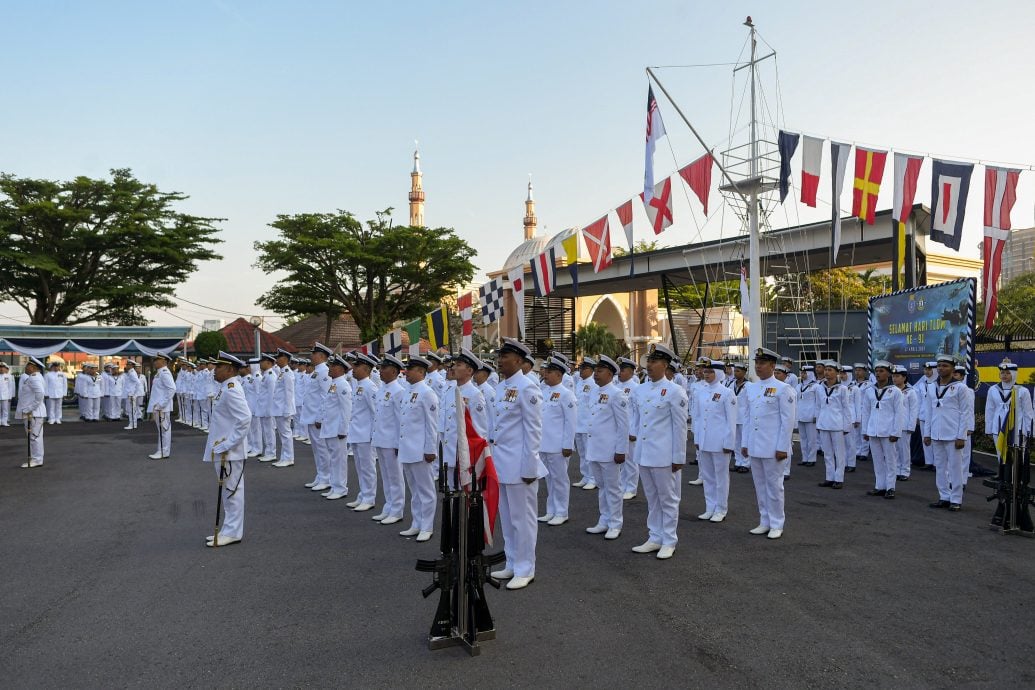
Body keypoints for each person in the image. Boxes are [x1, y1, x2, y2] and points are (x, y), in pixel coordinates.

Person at [488, 339, 545, 590]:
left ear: (520, 361)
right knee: (509, 519)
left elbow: (534, 431)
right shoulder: (502, 387)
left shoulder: (527, 388)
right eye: (500, 356)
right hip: (502, 463)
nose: (501, 360)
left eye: (506, 356)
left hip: (521, 465)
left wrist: (530, 467)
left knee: (523, 520)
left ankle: (525, 568)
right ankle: (511, 562)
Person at [628, 344, 689, 559]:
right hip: (645, 453)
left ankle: (669, 540)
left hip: (664, 454)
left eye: (654, 362)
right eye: (649, 361)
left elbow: (680, 427)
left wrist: (678, 456)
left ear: (665, 365)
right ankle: (654, 537)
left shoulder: (675, 391)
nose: (650, 365)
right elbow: (636, 418)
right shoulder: (640, 389)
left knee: (668, 499)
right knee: (652, 498)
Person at [740, 348, 796, 539]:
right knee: (760, 486)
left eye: (762, 363)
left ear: (773, 366)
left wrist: (782, 447)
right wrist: (745, 443)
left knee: (774, 487)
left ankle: (777, 523)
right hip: (756, 445)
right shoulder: (751, 388)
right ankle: (764, 521)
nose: (758, 366)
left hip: (773, 448)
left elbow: (787, 421)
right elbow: (747, 418)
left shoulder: (783, 389)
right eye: (756, 363)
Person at [202, 351, 252, 547]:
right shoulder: (225, 387)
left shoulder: (231, 389)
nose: (214, 370)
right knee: (227, 492)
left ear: (230, 369)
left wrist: (227, 444)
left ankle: (232, 532)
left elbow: (245, 418)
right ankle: (228, 529)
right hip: (224, 449)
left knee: (232, 491)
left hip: (230, 451)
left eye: (219, 367)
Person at [583, 355, 629, 541]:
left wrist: (621, 450)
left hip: (610, 450)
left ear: (610, 373)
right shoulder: (594, 392)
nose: (596, 374)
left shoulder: (617, 394)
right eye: (595, 371)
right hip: (595, 448)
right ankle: (604, 520)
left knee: (613, 488)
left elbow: (623, 425)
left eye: (600, 371)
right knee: (602, 487)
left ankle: (615, 523)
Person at [397, 355, 440, 543]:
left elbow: (432, 425)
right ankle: (416, 522)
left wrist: (431, 449)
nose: (406, 372)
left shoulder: (427, 392)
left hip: (421, 450)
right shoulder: (408, 391)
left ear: (421, 372)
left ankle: (427, 526)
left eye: (410, 369)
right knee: (414, 489)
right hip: (407, 447)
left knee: (426, 490)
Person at [922, 355, 973, 512]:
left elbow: (965, 413)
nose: (941, 368)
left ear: (952, 368)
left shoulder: (961, 388)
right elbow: (929, 412)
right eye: (939, 366)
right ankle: (944, 496)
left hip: (953, 435)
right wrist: (927, 433)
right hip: (936, 433)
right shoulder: (931, 387)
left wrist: (961, 435)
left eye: (945, 366)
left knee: (955, 468)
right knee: (940, 467)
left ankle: (956, 499)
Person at [691, 357, 735, 524]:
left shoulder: (726, 393)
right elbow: (697, 417)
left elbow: (731, 421)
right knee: (708, 477)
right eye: (706, 371)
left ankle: (721, 508)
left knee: (720, 477)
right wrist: (696, 438)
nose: (706, 374)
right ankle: (710, 507)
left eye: (710, 372)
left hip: (719, 442)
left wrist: (728, 443)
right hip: (704, 441)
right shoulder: (701, 391)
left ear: (718, 373)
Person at [439, 348, 489, 491]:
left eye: (459, 365)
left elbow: (479, 431)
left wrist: (475, 461)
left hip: (465, 457)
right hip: (450, 453)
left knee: (466, 498)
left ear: (469, 371)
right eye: (454, 364)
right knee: (452, 495)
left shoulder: (474, 394)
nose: (453, 367)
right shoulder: (451, 391)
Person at [537, 355, 577, 526]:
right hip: (544, 444)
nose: (545, 374)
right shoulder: (543, 392)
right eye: (546, 371)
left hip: (558, 446)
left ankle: (561, 511)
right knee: (549, 480)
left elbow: (570, 422)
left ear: (560, 375)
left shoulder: (566, 394)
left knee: (559, 480)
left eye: (550, 372)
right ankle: (551, 510)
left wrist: (568, 445)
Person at [860, 361, 905, 499]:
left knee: (891, 460)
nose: (878, 373)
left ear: (889, 373)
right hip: (873, 430)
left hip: (888, 431)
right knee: (877, 460)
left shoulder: (896, 391)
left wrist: (896, 432)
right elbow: (866, 411)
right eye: (877, 371)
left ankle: (890, 487)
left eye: (882, 371)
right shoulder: (870, 391)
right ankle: (880, 485)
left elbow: (899, 413)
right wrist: (865, 430)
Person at [371, 354, 407, 525]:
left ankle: (397, 509)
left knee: (395, 476)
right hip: (380, 439)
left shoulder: (399, 391)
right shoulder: (382, 389)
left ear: (393, 371)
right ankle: (388, 506)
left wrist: (399, 443)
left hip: (391, 441)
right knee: (386, 476)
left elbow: (401, 420)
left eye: (384, 368)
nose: (380, 371)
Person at [985, 359, 1034, 465]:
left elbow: (1028, 412)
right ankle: (1003, 476)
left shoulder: (1022, 390)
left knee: (1017, 454)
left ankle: (1015, 478)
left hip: (1017, 428)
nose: (1004, 375)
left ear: (1014, 374)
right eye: (1002, 373)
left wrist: (1029, 431)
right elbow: (990, 410)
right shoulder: (993, 389)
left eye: (1008, 373)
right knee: (1000, 453)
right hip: (997, 426)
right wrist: (988, 428)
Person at [347, 352, 379, 510]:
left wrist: (374, 436)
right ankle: (362, 495)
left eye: (357, 366)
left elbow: (375, 413)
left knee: (367, 468)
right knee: (360, 467)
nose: (353, 368)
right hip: (356, 433)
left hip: (366, 435)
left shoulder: (370, 387)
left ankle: (369, 498)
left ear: (366, 369)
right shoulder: (359, 385)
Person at [318, 355, 353, 501]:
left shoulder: (343, 385)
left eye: (332, 366)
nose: (329, 368)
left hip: (337, 429)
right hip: (330, 427)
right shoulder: (334, 383)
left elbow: (346, 409)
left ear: (339, 368)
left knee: (339, 461)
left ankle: (340, 488)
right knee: (333, 460)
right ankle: (334, 486)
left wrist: (343, 430)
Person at [300, 343, 334, 493]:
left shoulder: (325, 372)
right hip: (311, 416)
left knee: (322, 449)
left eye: (313, 354)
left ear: (321, 356)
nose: (310, 356)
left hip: (317, 418)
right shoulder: (316, 371)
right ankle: (320, 476)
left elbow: (327, 397)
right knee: (316, 449)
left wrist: (321, 417)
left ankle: (326, 478)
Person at [816, 360, 853, 489]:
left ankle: (839, 478)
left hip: (837, 424)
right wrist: (818, 422)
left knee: (839, 453)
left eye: (830, 370)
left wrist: (847, 426)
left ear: (837, 373)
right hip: (824, 423)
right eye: (826, 369)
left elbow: (846, 409)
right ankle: (829, 477)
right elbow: (818, 406)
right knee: (827, 453)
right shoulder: (820, 387)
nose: (827, 372)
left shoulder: (842, 389)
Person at [616, 356, 641, 500]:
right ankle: (622, 486)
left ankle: (631, 488)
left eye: (623, 370)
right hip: (618, 430)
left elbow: (637, 412)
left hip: (630, 430)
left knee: (630, 461)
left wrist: (634, 431)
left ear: (631, 372)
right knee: (620, 462)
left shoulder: (636, 389)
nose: (620, 373)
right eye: (619, 370)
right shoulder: (616, 387)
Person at [572, 357, 598, 490]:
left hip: (588, 424)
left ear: (590, 370)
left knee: (590, 453)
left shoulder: (594, 383)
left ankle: (593, 478)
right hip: (579, 423)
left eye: (583, 368)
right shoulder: (580, 382)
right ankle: (586, 476)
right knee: (582, 453)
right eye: (580, 368)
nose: (580, 371)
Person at [16, 357, 47, 468]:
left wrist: (29, 408)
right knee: (34, 437)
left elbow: (40, 394)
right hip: (33, 413)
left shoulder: (34, 378)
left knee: (34, 437)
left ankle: (36, 460)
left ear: (33, 367)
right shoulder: (36, 377)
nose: (25, 367)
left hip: (33, 413)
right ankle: (37, 458)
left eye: (27, 366)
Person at [147, 352, 177, 460]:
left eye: (157, 360)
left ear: (164, 361)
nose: (155, 362)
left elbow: (172, 389)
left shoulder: (164, 373)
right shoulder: (159, 373)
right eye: (155, 359)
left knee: (163, 430)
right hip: (159, 407)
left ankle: (163, 452)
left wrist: (161, 404)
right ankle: (162, 451)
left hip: (161, 408)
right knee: (162, 430)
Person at [892, 366, 919, 481]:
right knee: (894, 449)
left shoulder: (910, 392)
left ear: (904, 378)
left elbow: (914, 410)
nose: (894, 379)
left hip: (904, 424)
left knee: (904, 449)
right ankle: (897, 470)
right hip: (893, 424)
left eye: (897, 376)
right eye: (893, 376)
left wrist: (911, 426)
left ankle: (905, 471)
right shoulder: (891, 390)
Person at [271, 348, 297, 468]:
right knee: (283, 434)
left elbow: (289, 394)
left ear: (285, 359)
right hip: (279, 408)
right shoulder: (282, 372)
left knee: (286, 434)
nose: (276, 360)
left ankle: (289, 458)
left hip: (283, 409)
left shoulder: (288, 373)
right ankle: (284, 457)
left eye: (279, 357)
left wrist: (287, 411)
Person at [254, 353, 277, 462]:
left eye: (262, 361)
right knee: (266, 431)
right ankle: (268, 452)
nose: (260, 364)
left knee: (269, 432)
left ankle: (271, 453)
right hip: (263, 409)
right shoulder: (266, 375)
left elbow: (272, 395)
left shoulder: (271, 375)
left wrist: (269, 410)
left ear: (268, 363)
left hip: (268, 410)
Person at [729, 362, 750, 473]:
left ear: (744, 372)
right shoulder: (731, 384)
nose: (735, 373)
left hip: (744, 417)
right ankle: (738, 462)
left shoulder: (749, 385)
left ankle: (745, 463)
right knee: (736, 441)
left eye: (738, 371)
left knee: (744, 441)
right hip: (734, 416)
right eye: (735, 371)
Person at [796, 365, 819, 467]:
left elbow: (818, 403)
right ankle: (804, 458)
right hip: (800, 415)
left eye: (804, 373)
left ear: (810, 374)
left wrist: (816, 415)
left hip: (811, 416)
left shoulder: (816, 386)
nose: (802, 375)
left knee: (812, 439)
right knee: (803, 438)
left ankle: (812, 458)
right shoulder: (798, 386)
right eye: (802, 373)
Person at [0, 362, 12, 426]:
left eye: (3, 368)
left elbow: (10, 387)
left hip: (5, 395)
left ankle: (4, 421)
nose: (1, 369)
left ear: (5, 369)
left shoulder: (8, 376)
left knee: (5, 410)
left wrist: (10, 396)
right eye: (0, 368)